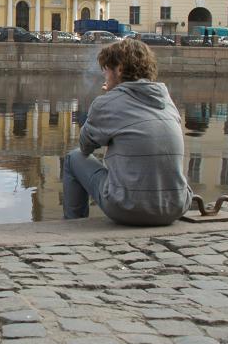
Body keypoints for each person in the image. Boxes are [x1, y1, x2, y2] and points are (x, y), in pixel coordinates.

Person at [62, 39, 192, 226]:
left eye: (106, 68)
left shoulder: (107, 102)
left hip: (128, 208)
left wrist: (108, 98)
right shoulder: (166, 99)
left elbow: (85, 146)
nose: (104, 74)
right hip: (176, 207)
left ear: (120, 69)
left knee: (73, 158)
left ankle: (72, 225)